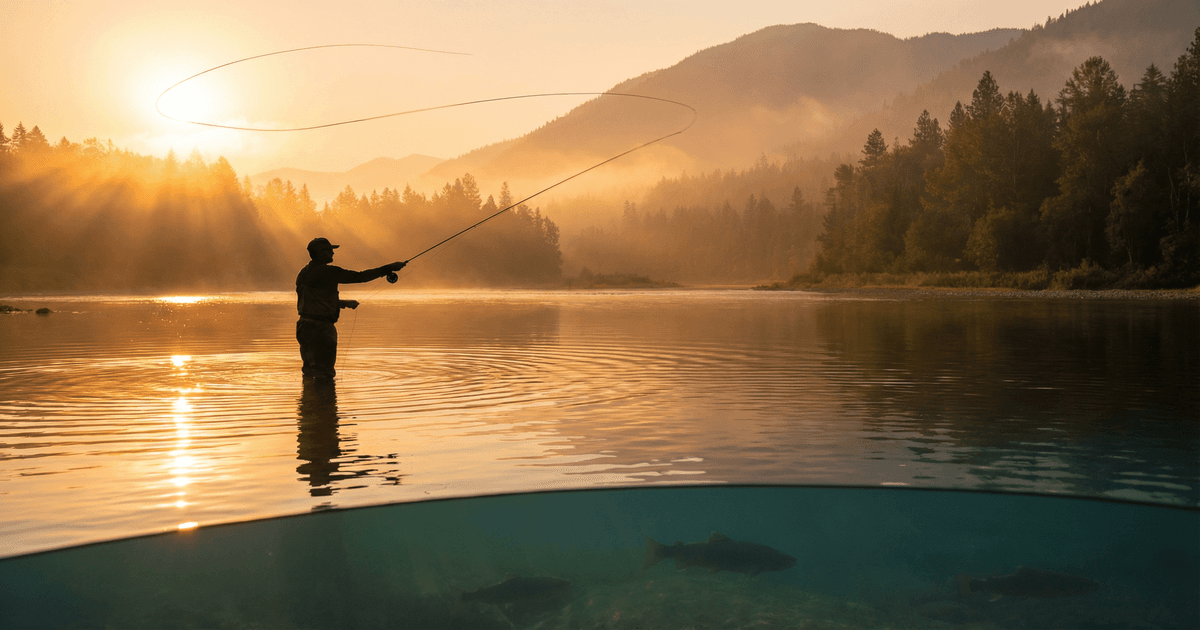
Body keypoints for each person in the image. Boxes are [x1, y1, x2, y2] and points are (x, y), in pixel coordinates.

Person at [296, 237, 405, 379]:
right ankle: (325, 399)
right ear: (320, 253)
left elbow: (312, 300)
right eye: (330, 251)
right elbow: (360, 277)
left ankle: (311, 400)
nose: (333, 254)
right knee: (325, 374)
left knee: (309, 372)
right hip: (321, 329)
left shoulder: (304, 273)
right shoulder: (327, 272)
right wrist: (388, 268)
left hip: (304, 327)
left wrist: (343, 303)